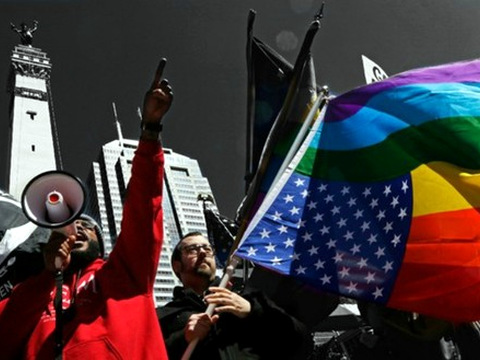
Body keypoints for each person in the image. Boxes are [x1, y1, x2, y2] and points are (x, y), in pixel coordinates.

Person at [0, 58, 173, 359]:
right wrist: (45, 276)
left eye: (87, 226)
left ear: (101, 243)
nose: (76, 227)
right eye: (69, 224)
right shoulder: (30, 289)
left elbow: (143, 211)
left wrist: (149, 132)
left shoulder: (124, 272)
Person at [157, 231, 313, 360]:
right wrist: (183, 338)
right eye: (192, 249)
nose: (203, 252)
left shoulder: (248, 299)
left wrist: (252, 310)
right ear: (176, 265)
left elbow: (302, 342)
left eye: (207, 248)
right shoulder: (162, 316)